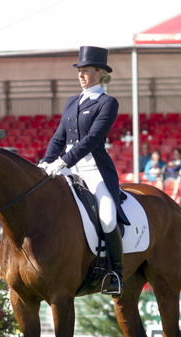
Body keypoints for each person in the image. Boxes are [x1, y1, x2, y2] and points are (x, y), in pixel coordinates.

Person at [39, 46, 126, 295]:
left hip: (93, 169)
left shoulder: (107, 103)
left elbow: (93, 138)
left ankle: (115, 274)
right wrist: (47, 161)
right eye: (79, 70)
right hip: (66, 166)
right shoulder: (71, 102)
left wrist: (63, 161)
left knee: (108, 218)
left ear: (100, 73)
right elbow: (58, 136)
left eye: (86, 70)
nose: (81, 74)